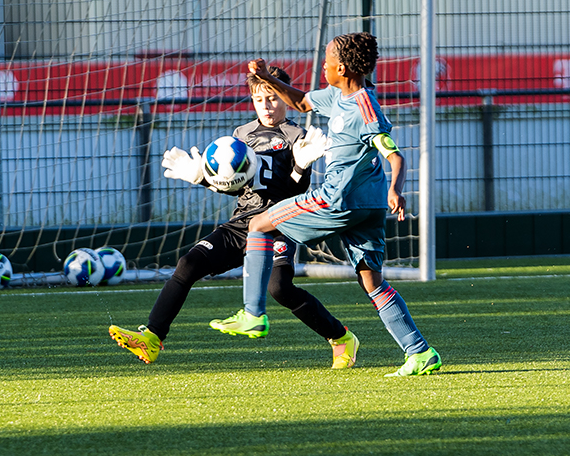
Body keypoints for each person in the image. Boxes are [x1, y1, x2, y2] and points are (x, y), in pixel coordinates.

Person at [108, 66, 360, 367]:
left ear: (283, 97)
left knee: (279, 288)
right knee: (188, 264)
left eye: (272, 98)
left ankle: (341, 337)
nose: (266, 106)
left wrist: (301, 166)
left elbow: (295, 190)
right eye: (258, 99)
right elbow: (235, 187)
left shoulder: (297, 135)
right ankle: (152, 338)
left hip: (278, 224)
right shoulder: (241, 135)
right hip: (242, 223)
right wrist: (202, 177)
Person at [242, 32, 442, 376]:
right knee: (372, 282)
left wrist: (397, 187)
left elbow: (394, 156)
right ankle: (419, 352)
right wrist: (267, 79)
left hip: (337, 200)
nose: (323, 64)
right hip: (369, 206)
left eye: (328, 58)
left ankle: (252, 314)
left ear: (343, 67)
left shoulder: (365, 107)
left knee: (258, 224)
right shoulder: (336, 95)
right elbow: (302, 102)